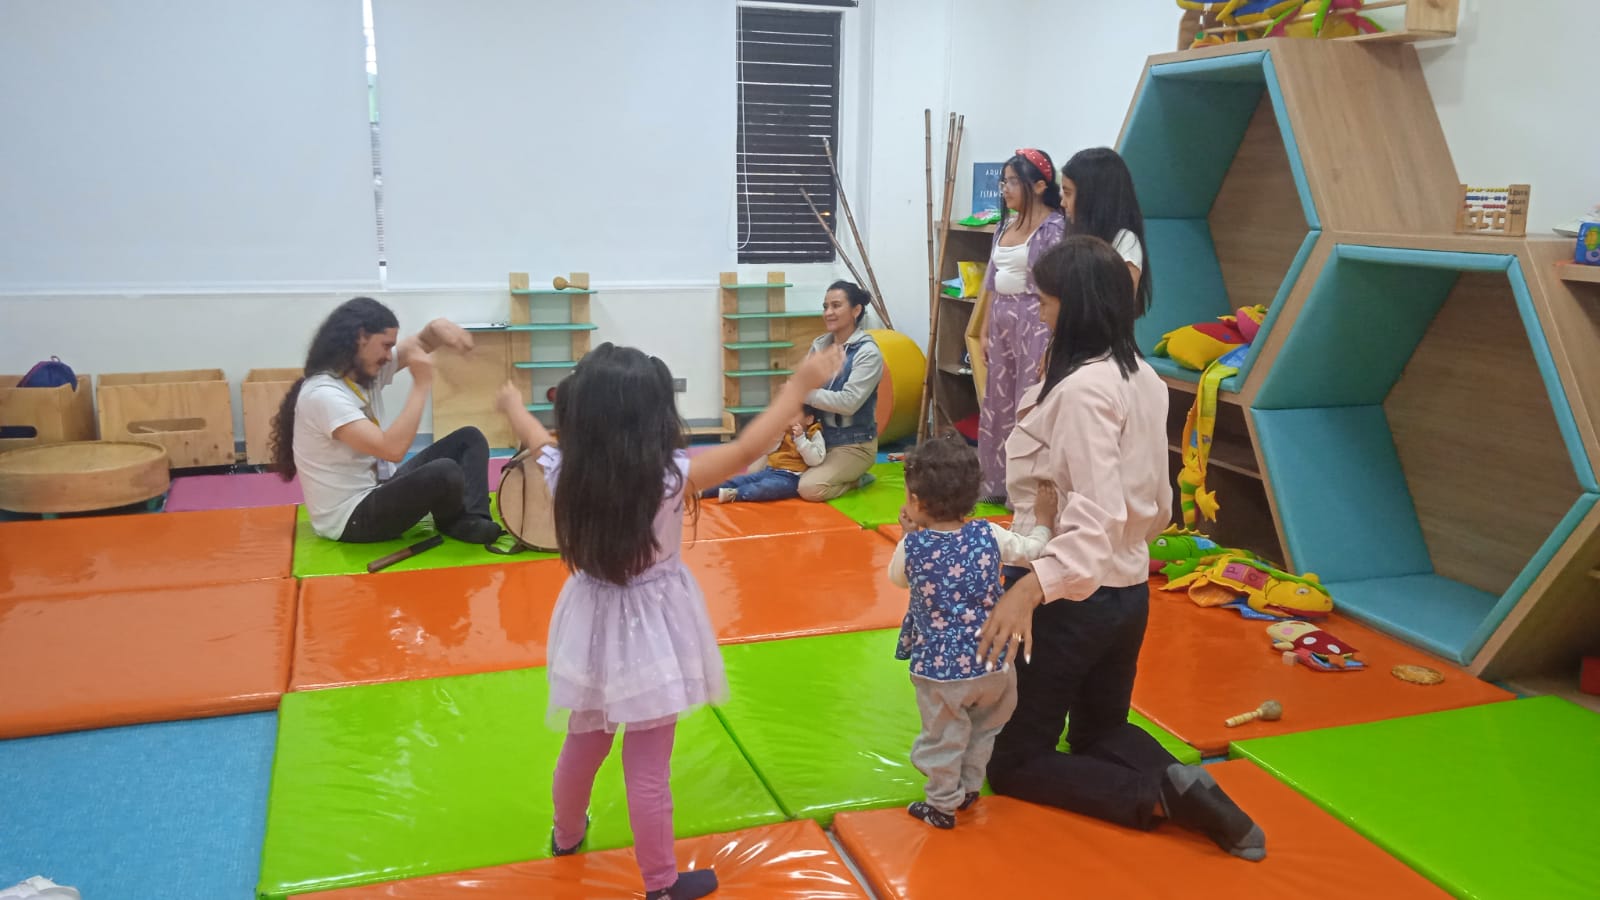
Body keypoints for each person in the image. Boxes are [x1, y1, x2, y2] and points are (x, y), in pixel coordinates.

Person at [497, 342, 843, 900]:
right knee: (648, 766)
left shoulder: (569, 472)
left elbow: (539, 442)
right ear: (651, 420)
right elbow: (751, 445)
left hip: (589, 621)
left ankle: (566, 835)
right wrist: (799, 386)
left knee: (583, 743)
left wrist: (513, 405)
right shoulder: (669, 477)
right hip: (651, 628)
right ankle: (660, 883)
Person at [975, 236, 1266, 861]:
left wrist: (1031, 588)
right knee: (1102, 729)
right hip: (1127, 594)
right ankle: (1196, 791)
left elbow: (1096, 515)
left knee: (1017, 761)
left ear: (1075, 306)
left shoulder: (1083, 391)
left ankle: (1158, 798)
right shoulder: (1143, 378)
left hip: (1073, 601)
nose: (1040, 312)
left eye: (1047, 301)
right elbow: (1151, 505)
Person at [889, 434, 1053, 830]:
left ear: (914, 499)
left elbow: (898, 580)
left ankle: (942, 804)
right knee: (984, 729)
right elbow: (1033, 550)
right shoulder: (988, 535)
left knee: (944, 737)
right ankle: (970, 786)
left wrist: (913, 535)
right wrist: (1045, 521)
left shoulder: (912, 548)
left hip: (941, 674)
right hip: (995, 665)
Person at [270, 297, 501, 544]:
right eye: (385, 345)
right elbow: (393, 449)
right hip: (350, 519)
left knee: (469, 437)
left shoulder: (362, 373)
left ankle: (474, 517)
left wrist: (436, 328)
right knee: (444, 471)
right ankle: (453, 521)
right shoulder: (323, 395)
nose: (390, 356)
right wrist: (422, 385)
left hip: (378, 489)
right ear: (360, 338)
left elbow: (420, 343)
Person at [977, 148, 1067, 504]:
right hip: (1001, 316)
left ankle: (1026, 493)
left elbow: (1056, 286)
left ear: (1040, 185)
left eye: (1013, 181)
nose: (1005, 189)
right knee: (997, 401)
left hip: (1035, 320)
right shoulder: (1004, 225)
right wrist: (984, 329)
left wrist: (1052, 340)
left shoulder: (1055, 226)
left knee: (1027, 401)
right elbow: (991, 280)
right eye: (1004, 182)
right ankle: (995, 483)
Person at [798, 280, 882, 502]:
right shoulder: (819, 345)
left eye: (836, 306)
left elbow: (848, 402)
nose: (828, 312)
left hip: (854, 444)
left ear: (856, 310)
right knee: (756, 470)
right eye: (825, 307)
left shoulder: (868, 353)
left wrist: (803, 392)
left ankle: (857, 479)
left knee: (810, 488)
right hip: (818, 438)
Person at [1059, 147, 1152, 309]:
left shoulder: (1125, 242)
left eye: (1068, 193)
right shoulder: (1076, 236)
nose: (1062, 203)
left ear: (1092, 197)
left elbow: (1119, 309)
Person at [698, 406, 824, 503]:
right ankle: (704, 492)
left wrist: (801, 438)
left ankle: (736, 494)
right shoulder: (784, 432)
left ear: (809, 419)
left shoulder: (814, 434)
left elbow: (814, 460)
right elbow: (769, 451)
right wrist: (778, 434)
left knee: (764, 488)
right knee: (739, 479)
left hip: (791, 478)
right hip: (770, 469)